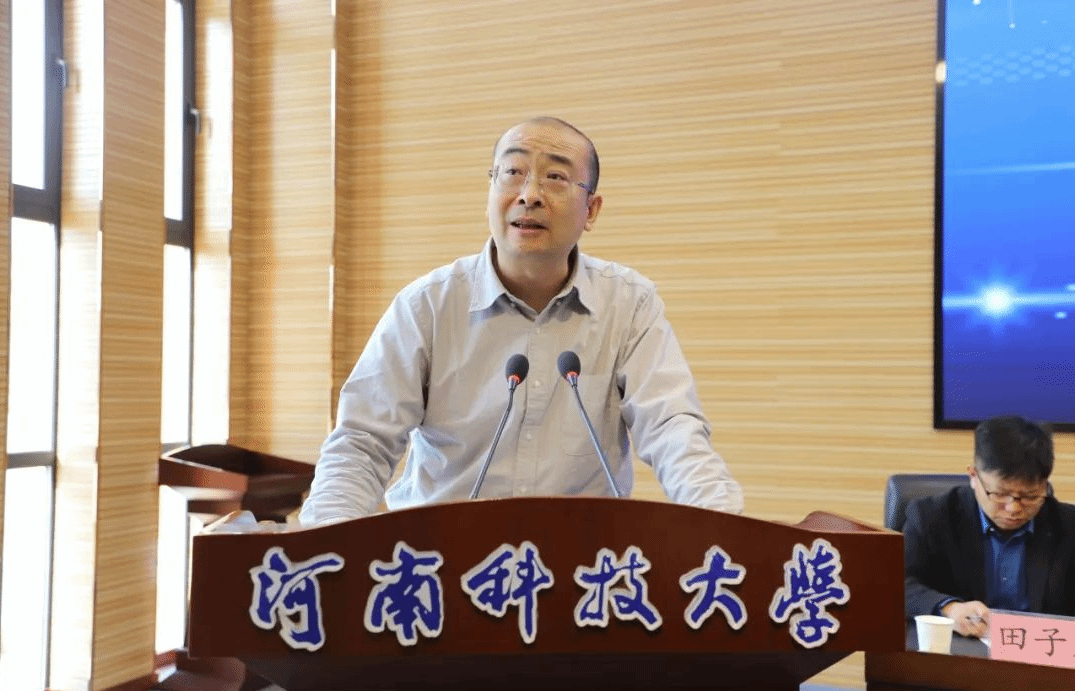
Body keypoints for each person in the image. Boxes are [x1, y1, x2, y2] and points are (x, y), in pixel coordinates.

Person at [298, 116, 743, 526]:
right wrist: (327, 549)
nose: (529, 195)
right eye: (512, 173)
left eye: (555, 177)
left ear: (591, 210)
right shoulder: (427, 305)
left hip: (580, 565)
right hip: (440, 560)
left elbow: (672, 429)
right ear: (490, 190)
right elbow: (362, 443)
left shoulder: (629, 304)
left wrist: (725, 530)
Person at [903, 415, 1075, 637]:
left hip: (1042, 650)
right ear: (973, 476)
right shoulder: (932, 517)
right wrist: (949, 608)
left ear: (1045, 485)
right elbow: (899, 584)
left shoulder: (1068, 526)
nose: (1013, 508)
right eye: (1000, 494)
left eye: (1030, 496)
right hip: (960, 648)